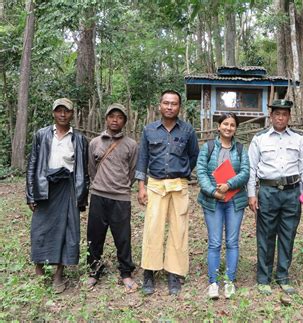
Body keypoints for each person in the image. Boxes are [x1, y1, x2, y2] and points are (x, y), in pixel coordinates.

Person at [248, 99, 303, 296]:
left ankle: (283, 276)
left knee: (288, 234)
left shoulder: (298, 139)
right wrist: (252, 194)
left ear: (289, 117)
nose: (280, 117)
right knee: (266, 235)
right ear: (271, 116)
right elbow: (252, 168)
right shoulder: (259, 139)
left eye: (284, 114)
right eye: (277, 113)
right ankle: (264, 278)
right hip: (268, 192)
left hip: (292, 193)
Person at [136, 90, 199, 296]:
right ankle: (149, 272)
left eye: (174, 103)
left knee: (178, 230)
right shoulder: (149, 130)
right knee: (152, 228)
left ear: (179, 107)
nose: (170, 107)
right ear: (160, 105)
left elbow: (193, 156)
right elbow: (142, 159)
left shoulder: (188, 131)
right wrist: (141, 187)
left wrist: (181, 173)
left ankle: (174, 273)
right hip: (155, 185)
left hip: (178, 186)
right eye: (166, 103)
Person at [26, 98, 89, 293]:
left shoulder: (78, 139)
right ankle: (39, 269)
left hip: (67, 187)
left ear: (72, 114)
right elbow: (33, 164)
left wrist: (81, 196)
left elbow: (83, 171)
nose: (63, 114)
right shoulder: (42, 135)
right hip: (45, 186)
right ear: (54, 113)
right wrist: (30, 193)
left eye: (66, 111)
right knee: (40, 228)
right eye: (59, 111)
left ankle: (59, 274)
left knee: (66, 229)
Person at [196, 112, 250, 299]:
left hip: (234, 201)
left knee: (232, 242)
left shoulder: (241, 148)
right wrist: (213, 191)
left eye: (232, 125)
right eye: (225, 124)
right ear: (218, 126)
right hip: (213, 201)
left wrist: (229, 184)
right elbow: (201, 171)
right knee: (214, 242)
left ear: (236, 128)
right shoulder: (208, 147)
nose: (228, 127)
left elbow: (245, 172)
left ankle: (229, 280)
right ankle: (213, 282)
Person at [86, 103, 138, 292]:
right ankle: (93, 271)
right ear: (106, 118)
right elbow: (91, 168)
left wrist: (122, 186)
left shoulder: (131, 145)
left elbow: (132, 171)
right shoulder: (95, 143)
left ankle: (126, 272)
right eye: (112, 116)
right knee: (94, 235)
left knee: (123, 237)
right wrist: (100, 183)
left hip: (121, 197)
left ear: (124, 121)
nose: (115, 120)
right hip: (99, 195)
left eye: (119, 117)